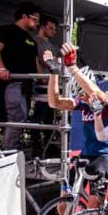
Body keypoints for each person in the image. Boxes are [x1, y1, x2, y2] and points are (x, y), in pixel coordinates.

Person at [46, 44, 108, 215]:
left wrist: (72, 67)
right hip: (85, 155)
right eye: (79, 95)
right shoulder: (83, 104)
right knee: (64, 205)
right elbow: (55, 102)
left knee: (96, 206)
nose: (82, 97)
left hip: (103, 156)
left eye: (83, 92)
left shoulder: (106, 101)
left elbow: (95, 93)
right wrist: (54, 73)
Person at [0, 2, 41, 149]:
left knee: (21, 117)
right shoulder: (6, 31)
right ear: (24, 16)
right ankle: (9, 150)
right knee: (16, 116)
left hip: (26, 85)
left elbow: (36, 64)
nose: (37, 23)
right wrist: (1, 68)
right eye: (35, 19)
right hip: (11, 83)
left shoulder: (31, 40)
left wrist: (47, 78)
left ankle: (11, 148)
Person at [31, 15, 61, 156]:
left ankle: (48, 146)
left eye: (55, 29)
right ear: (42, 27)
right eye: (50, 28)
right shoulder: (35, 42)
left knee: (50, 116)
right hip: (41, 84)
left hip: (51, 84)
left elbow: (56, 63)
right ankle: (36, 147)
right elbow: (36, 60)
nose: (53, 31)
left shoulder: (52, 46)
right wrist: (41, 77)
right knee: (39, 116)